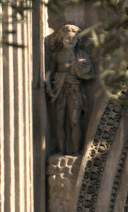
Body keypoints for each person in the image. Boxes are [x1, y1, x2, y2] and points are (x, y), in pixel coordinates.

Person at [46, 24, 93, 155]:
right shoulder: (56, 56)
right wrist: (51, 85)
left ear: (78, 40)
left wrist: (82, 70)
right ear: (61, 39)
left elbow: (90, 73)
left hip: (75, 90)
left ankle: (76, 151)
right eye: (67, 38)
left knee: (75, 120)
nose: (71, 41)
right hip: (60, 90)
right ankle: (60, 151)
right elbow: (50, 72)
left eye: (74, 39)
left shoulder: (81, 55)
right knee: (59, 121)